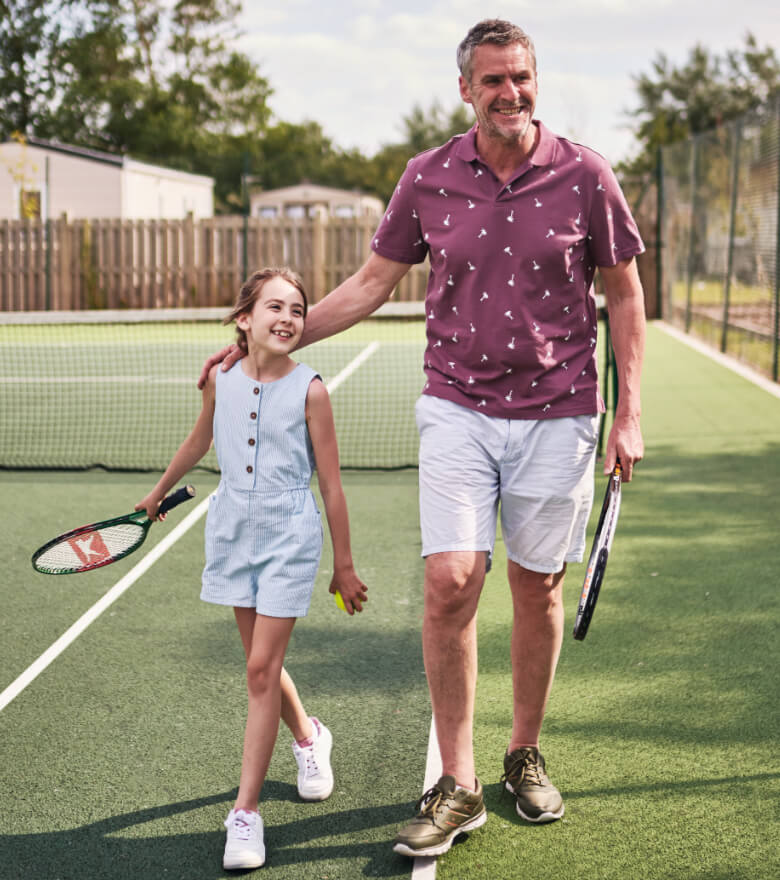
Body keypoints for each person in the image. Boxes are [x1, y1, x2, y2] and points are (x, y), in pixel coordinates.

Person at [200, 18, 646, 860]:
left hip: (560, 412)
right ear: (465, 90)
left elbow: (624, 294)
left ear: (535, 81)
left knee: (536, 588)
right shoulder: (428, 177)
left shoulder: (586, 174)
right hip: (458, 408)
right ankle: (458, 782)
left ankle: (523, 753)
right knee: (449, 582)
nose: (509, 93)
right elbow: (372, 281)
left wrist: (628, 414)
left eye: (521, 77)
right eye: (492, 81)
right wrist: (273, 343)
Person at [140, 267, 367, 870]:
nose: (288, 318)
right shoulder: (221, 376)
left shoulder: (312, 389)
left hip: (291, 532)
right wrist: (158, 491)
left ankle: (245, 814)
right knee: (260, 666)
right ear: (245, 318)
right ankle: (309, 738)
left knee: (262, 668)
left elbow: (333, 485)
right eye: (274, 306)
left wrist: (343, 565)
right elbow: (199, 441)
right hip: (232, 528)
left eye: (297, 309)